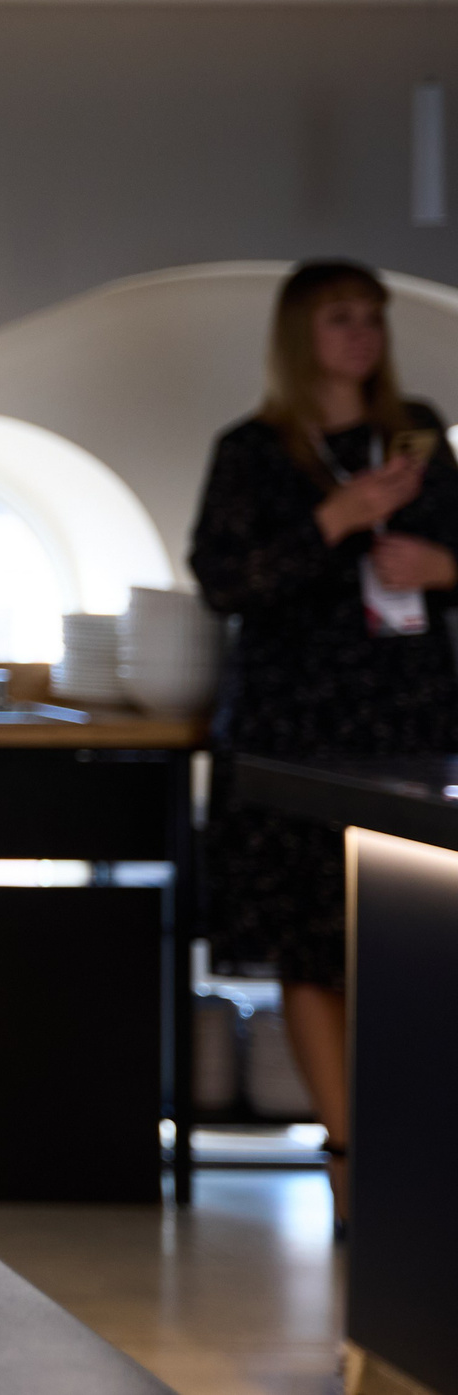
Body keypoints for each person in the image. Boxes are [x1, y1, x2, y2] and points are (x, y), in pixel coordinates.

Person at [190, 259, 458, 1218]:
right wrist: (338, 517)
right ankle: (350, 1163)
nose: (363, 336)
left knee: (410, 937)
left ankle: (412, 1151)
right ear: (301, 332)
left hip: (407, 719)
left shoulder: (415, 434)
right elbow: (225, 579)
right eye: (342, 318)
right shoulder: (254, 450)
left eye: (372, 318)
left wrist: (440, 565)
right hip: (295, 727)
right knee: (312, 944)